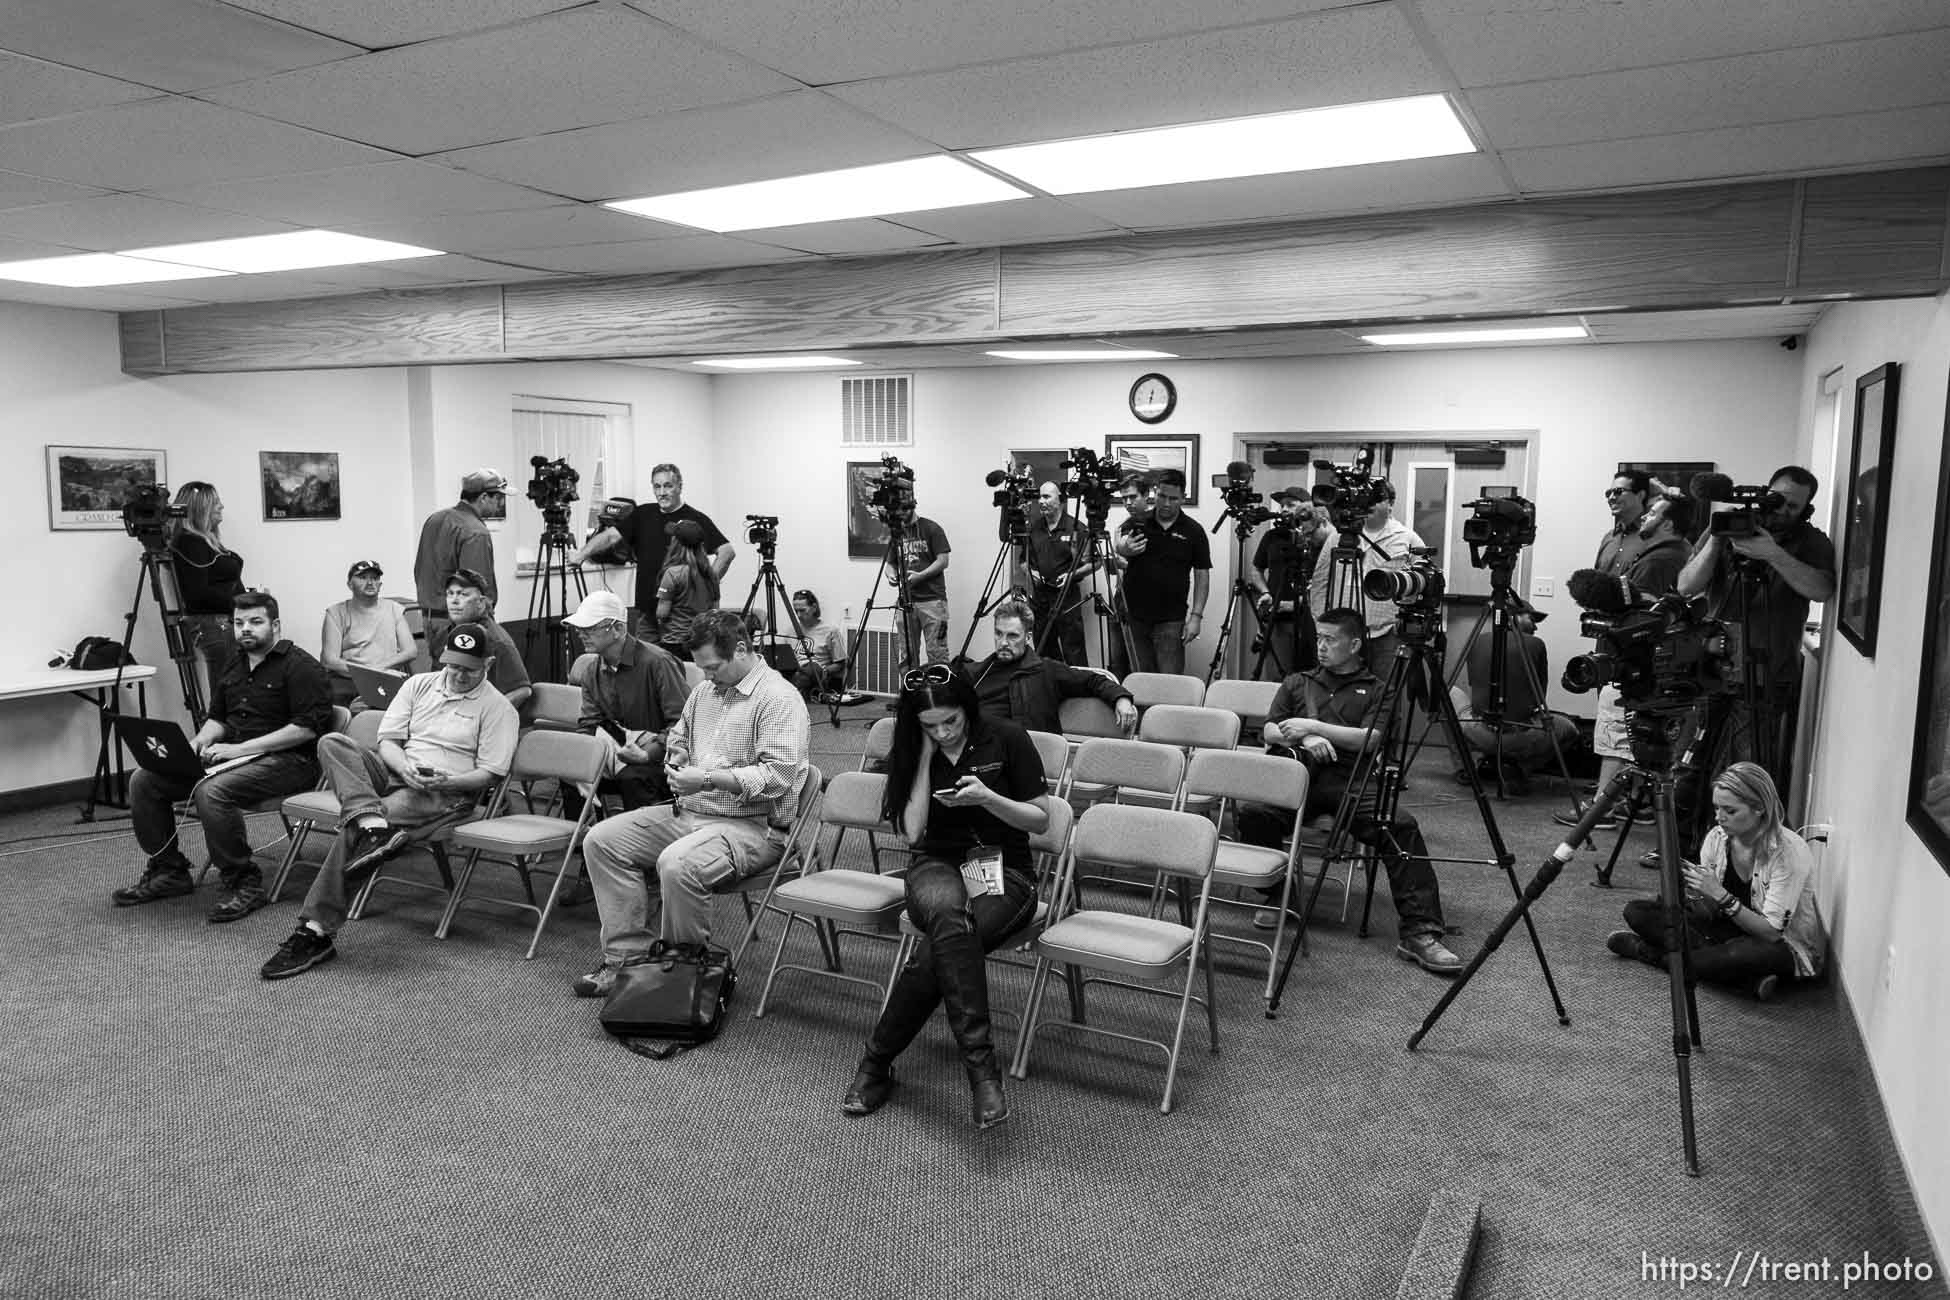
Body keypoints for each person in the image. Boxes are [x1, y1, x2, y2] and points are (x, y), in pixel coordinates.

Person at [840, 664, 1047, 1130]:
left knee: (943, 943)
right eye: (930, 726)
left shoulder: (1008, 738)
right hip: (937, 865)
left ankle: (876, 1064)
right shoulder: (918, 748)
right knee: (951, 920)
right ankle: (983, 1076)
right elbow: (914, 832)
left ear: (967, 710)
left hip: (1006, 871)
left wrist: (988, 799)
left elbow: (1040, 821)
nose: (944, 731)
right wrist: (925, 758)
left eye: (950, 721)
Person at [259, 623, 519, 980]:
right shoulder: (418, 685)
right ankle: (373, 823)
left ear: (488, 663)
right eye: (452, 665)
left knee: (353, 830)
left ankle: (315, 930)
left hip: (445, 790)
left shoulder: (499, 708)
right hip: (397, 770)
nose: (457, 674)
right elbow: (389, 742)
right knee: (333, 743)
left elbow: (488, 774)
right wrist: (404, 767)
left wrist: (445, 780)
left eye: (468, 669)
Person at [574, 610, 810, 997]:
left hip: (754, 829)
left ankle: (681, 976)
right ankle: (626, 961)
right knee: (600, 840)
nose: (707, 675)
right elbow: (679, 737)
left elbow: (778, 778)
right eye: (701, 668)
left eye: (713, 666)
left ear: (742, 649)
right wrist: (678, 755)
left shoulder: (779, 699)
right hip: (692, 813)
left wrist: (705, 777)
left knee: (678, 864)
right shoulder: (705, 691)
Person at [1236, 608, 1464, 974]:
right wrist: (1308, 738)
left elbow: (1370, 740)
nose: (1321, 647)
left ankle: (1420, 933)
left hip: (1351, 782)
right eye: (1319, 638)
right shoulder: (1298, 682)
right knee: (1251, 812)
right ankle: (1280, 894)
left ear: (1355, 645)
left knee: (1401, 826)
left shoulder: (1377, 688)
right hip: (1298, 779)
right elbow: (1270, 731)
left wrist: (1313, 725)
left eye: (1330, 640)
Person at [112, 590, 332, 923]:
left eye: (255, 622)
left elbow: (305, 729)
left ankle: (243, 880)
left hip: (291, 762)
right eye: (239, 622)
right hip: (233, 757)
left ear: (276, 625)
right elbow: (219, 718)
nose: (245, 629)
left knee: (211, 791)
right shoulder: (235, 662)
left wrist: (239, 750)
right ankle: (168, 871)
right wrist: (199, 741)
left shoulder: (301, 667)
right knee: (145, 779)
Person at [1606, 762, 1823, 1000]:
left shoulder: (1787, 854)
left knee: (1738, 955)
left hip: (1779, 945)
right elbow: (1709, 909)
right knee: (1637, 912)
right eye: (1717, 808)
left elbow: (1771, 933)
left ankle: (1647, 953)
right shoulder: (1716, 837)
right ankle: (1742, 979)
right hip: (1726, 930)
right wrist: (1689, 891)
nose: (1720, 818)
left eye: (1730, 811)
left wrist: (1719, 895)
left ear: (1759, 808)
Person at [572, 463, 734, 644]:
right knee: (645, 667)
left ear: (680, 486)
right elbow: (610, 537)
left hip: (681, 618)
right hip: (647, 614)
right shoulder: (642, 514)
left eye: (668, 486)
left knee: (681, 668)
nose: (662, 492)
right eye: (657, 486)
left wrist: (705, 584)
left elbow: (727, 552)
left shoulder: (695, 519)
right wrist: (581, 555)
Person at [562, 590, 689, 811]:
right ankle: (582, 843)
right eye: (579, 629)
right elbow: (589, 725)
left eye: (590, 629)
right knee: (569, 773)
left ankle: (633, 842)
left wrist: (649, 753)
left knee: (634, 777)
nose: (581, 634)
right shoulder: (592, 670)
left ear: (619, 629)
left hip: (662, 759)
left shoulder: (657, 662)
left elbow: (684, 724)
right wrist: (581, 757)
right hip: (620, 754)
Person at [1450, 607, 1576, 795]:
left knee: (1448, 692)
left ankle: (1465, 767)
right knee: (1570, 729)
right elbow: (1539, 696)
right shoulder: (1537, 644)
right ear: (1513, 617)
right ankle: (1519, 768)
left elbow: (1471, 682)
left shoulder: (1477, 639)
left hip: (1476, 728)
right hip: (1519, 735)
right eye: (1532, 619)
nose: (1535, 627)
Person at [963, 601, 1135, 734]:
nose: (1003, 642)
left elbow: (1093, 680)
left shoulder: (1047, 670)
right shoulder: (976, 673)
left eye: (1013, 636)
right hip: (980, 751)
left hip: (1027, 756)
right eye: (998, 633)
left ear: (1028, 636)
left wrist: (1121, 699)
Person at [1113, 468, 1210, 675]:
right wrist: (1122, 549)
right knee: (1139, 681)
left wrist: (1196, 617)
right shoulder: (1137, 522)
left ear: (1183, 497)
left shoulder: (1194, 530)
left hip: (1171, 620)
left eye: (1173, 498)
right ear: (1154, 493)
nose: (1166, 503)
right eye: (1162, 496)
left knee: (1170, 683)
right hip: (1135, 617)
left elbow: (1202, 574)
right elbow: (1117, 552)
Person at [166, 480, 245, 705]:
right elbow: (197, 594)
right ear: (202, 508)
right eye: (216, 503)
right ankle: (219, 738)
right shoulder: (190, 543)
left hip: (226, 622)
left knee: (235, 690)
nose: (221, 507)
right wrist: (241, 602)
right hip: (214, 625)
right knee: (226, 695)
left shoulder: (206, 541)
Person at [414, 468, 505, 651]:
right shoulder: (475, 531)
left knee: (441, 676)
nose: (500, 504)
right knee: (463, 675)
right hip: (459, 623)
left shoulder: (435, 519)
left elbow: (419, 570)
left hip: (430, 619)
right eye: (498, 498)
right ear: (484, 498)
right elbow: (476, 587)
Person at [434, 569, 532, 716]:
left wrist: (484, 717)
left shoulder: (496, 640)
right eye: (450, 593)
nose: (454, 600)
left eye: (463, 594)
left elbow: (523, 691)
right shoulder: (445, 633)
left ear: (480, 603)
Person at [1251, 490, 1326, 680]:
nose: (1284, 509)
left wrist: (1297, 603)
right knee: (1277, 678)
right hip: (1277, 621)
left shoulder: (1317, 538)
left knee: (1308, 678)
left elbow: (1324, 583)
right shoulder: (1271, 536)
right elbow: (1256, 570)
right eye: (1282, 505)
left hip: (1308, 621)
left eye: (1290, 505)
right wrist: (1265, 592)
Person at [1348, 483, 1423, 671]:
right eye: (1366, 498)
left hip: (1389, 634)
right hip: (1349, 632)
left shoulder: (1407, 538)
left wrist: (1408, 616)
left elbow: (1424, 580)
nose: (1370, 503)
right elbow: (1322, 582)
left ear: (1390, 504)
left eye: (1377, 499)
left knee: (1386, 694)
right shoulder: (1346, 536)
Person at [319, 559, 416, 706]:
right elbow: (329, 660)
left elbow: (410, 651)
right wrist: (369, 673)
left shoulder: (394, 609)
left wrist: (378, 671)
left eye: (374, 578)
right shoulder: (336, 612)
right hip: (348, 680)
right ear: (350, 584)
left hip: (386, 676)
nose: (370, 582)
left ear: (380, 584)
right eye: (363, 577)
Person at [1018, 481, 1090, 665]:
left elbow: (1095, 563)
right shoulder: (1034, 529)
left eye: (1046, 496)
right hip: (1040, 598)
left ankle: (1078, 688)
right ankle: (1051, 689)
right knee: (1043, 650)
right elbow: (1023, 562)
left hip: (1067, 598)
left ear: (1060, 500)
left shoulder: (1077, 528)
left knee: (1074, 651)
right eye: (1039, 497)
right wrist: (1030, 573)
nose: (1041, 501)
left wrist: (1071, 575)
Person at [889, 497, 952, 667]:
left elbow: (943, 561)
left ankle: (939, 693)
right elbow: (890, 564)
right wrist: (891, 575)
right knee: (907, 655)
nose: (900, 514)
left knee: (937, 653)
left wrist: (921, 575)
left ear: (911, 507)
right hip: (906, 601)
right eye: (897, 511)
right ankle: (910, 693)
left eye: (904, 509)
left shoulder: (932, 528)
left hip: (933, 600)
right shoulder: (897, 534)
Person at [1104, 473, 1154, 679]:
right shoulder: (1123, 527)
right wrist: (1113, 559)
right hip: (1120, 600)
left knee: (1142, 667)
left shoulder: (1157, 525)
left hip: (1146, 605)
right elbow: (1116, 568)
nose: (1128, 502)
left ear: (1146, 496)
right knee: (1117, 662)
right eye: (1124, 498)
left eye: (1133, 497)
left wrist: (1126, 559)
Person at [655, 519, 721, 662]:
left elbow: (662, 613)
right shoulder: (711, 574)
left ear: (676, 544)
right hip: (702, 642)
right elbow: (715, 610)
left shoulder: (673, 573)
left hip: (675, 643)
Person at [787, 589, 847, 702]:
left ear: (814, 608)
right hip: (794, 670)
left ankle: (790, 695)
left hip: (817, 672)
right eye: (796, 611)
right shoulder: (791, 630)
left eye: (803, 610)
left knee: (811, 668)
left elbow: (840, 664)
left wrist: (825, 671)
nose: (799, 615)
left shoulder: (830, 630)